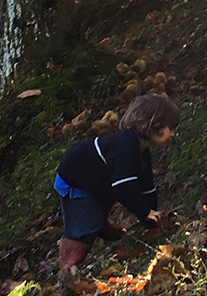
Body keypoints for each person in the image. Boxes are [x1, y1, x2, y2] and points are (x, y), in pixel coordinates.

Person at [54, 93, 180, 272]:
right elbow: (123, 188)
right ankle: (68, 266)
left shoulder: (141, 151)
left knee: (105, 200)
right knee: (85, 223)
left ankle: (101, 225)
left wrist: (151, 222)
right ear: (154, 126)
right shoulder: (126, 147)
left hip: (98, 180)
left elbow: (146, 188)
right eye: (170, 128)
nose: (173, 134)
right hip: (76, 179)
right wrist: (144, 211)